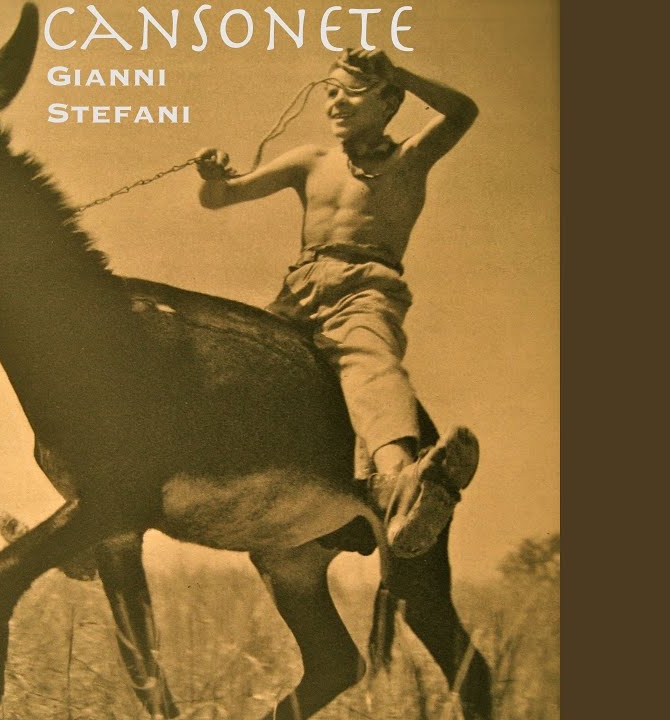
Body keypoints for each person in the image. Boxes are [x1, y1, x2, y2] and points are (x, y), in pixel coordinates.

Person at [194, 48, 481, 558]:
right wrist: (213, 176)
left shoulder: (410, 159)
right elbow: (222, 198)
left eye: (351, 93)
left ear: (389, 102)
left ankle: (402, 489)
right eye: (329, 93)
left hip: (364, 290)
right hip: (296, 292)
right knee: (233, 359)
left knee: (368, 364)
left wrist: (400, 72)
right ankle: (125, 484)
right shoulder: (311, 161)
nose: (335, 104)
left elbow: (463, 112)